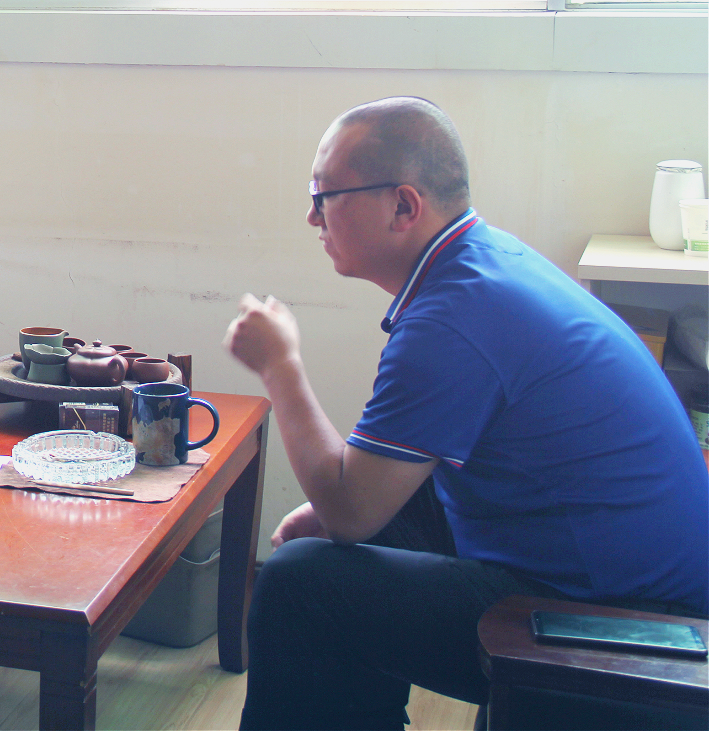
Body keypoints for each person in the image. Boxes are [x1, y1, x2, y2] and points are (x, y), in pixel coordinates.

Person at [222, 96, 708, 731]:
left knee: (298, 586)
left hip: (630, 625)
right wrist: (338, 513)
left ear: (404, 206)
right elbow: (371, 494)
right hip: (612, 574)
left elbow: (348, 508)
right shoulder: (483, 264)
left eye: (325, 195)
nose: (312, 215)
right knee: (343, 542)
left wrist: (280, 368)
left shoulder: (452, 319)